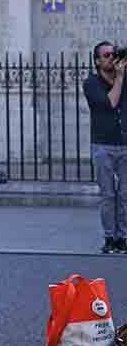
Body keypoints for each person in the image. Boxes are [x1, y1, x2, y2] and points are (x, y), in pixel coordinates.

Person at [83, 41, 127, 254]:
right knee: (108, 195)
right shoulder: (91, 83)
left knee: (125, 194)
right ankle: (110, 237)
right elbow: (111, 103)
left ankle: (124, 237)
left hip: (124, 144)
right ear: (98, 61)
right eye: (107, 55)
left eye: (113, 54)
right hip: (103, 145)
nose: (111, 58)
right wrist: (119, 78)